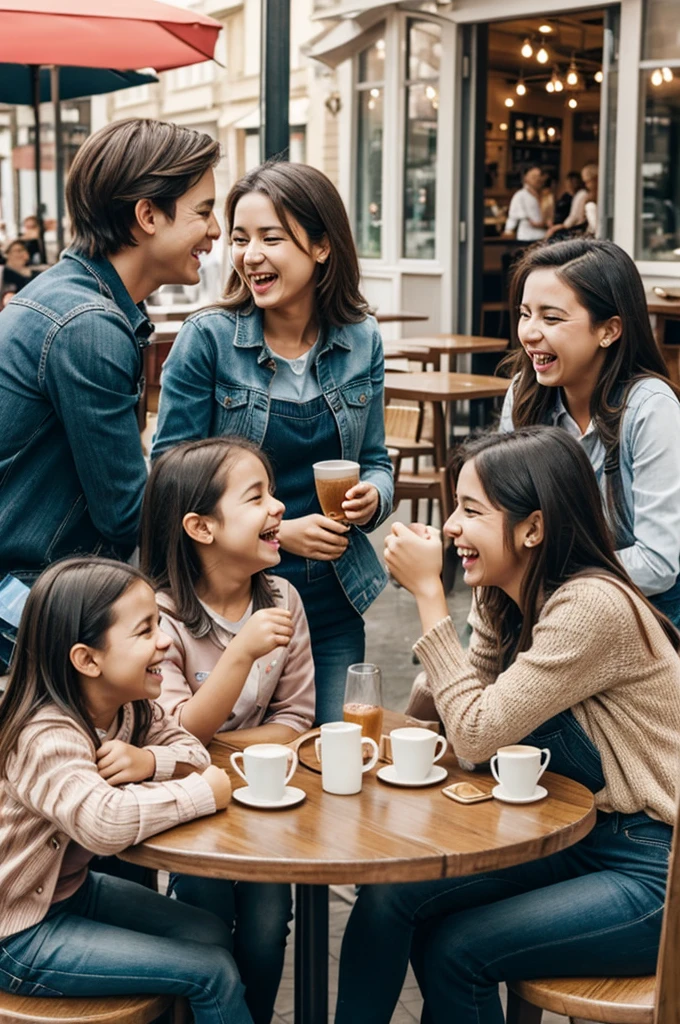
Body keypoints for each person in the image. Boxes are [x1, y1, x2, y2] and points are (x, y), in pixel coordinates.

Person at [335, 426, 680, 1024]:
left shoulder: (590, 607)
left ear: (533, 528)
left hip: (657, 870)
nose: (450, 528)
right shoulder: (513, 596)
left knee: (456, 951)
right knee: (391, 898)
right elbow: (469, 728)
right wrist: (473, 621)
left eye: (470, 511)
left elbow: (473, 731)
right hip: (582, 836)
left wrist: (429, 594)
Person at [152, 161, 394, 723]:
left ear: (321, 248)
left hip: (335, 597)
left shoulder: (361, 340)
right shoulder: (207, 340)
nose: (249, 254)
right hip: (225, 605)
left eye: (271, 238)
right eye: (240, 238)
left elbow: (376, 461)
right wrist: (282, 532)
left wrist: (373, 497)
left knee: (333, 760)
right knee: (226, 764)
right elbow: (169, 481)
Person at [0, 557, 253, 1024]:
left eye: (159, 623)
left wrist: (150, 761)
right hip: (16, 933)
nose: (163, 640)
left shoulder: (131, 708)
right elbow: (104, 822)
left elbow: (193, 751)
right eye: (144, 631)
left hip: (68, 894)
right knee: (212, 971)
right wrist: (203, 795)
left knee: (210, 933)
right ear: (87, 658)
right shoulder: (45, 735)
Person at [0, 118, 221, 631]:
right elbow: (125, 514)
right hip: (27, 609)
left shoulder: (68, 296)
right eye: (204, 212)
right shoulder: (89, 327)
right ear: (147, 214)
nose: (214, 232)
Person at [140, 436, 315, 1024]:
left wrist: (221, 751)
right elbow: (176, 733)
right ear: (201, 527)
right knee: (205, 927)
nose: (279, 508)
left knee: (268, 927)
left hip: (266, 804)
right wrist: (239, 655)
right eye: (256, 497)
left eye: (273, 492)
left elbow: (295, 721)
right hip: (190, 812)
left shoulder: (283, 599)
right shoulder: (161, 622)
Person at [499, 237, 680, 625]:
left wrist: (546, 577)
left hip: (645, 622)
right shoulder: (523, 395)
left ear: (609, 330)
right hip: (542, 614)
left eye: (551, 318)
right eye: (525, 313)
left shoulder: (651, 409)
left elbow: (657, 562)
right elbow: (502, 520)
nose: (529, 333)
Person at [547, 163, 597, 237]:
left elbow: (575, 217)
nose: (586, 185)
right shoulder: (570, 196)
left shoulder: (583, 195)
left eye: (588, 181)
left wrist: (562, 226)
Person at [502, 165, 546, 241]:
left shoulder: (546, 196)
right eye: (534, 177)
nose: (538, 179)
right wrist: (508, 231)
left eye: (539, 176)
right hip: (526, 237)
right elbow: (513, 218)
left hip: (543, 237)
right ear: (526, 178)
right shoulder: (520, 195)